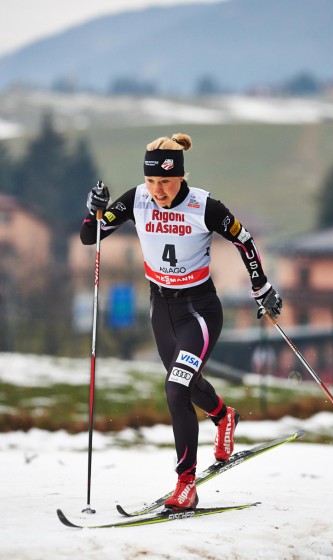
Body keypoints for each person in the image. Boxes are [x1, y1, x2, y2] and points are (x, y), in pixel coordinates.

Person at [80, 133, 282, 511]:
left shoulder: (203, 205)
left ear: (181, 177)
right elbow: (91, 238)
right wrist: (93, 211)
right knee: (185, 384)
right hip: (161, 309)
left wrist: (261, 285)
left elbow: (244, 238)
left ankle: (186, 484)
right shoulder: (136, 198)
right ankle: (224, 417)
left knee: (175, 388)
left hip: (199, 311)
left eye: (165, 182)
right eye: (152, 181)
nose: (157, 190)